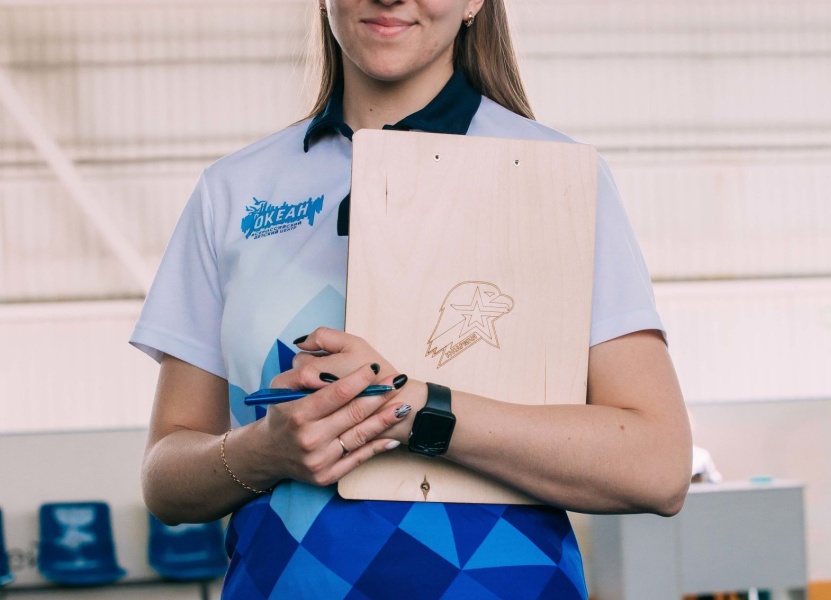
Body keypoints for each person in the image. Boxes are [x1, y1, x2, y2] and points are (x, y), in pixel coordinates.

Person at [130, 0, 693, 598]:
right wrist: (264, 451)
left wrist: (412, 409)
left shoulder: (561, 181)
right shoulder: (234, 190)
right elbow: (165, 481)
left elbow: (657, 468)